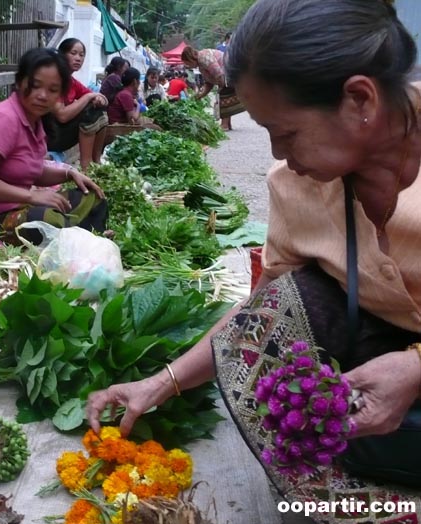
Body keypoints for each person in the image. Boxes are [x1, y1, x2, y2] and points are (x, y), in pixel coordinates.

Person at [88, 0, 421, 521]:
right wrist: (159, 384)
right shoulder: (293, 186)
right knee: (268, 323)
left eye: (286, 133)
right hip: (376, 350)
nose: (278, 155)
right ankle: (359, 504)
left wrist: (416, 367)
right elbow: (263, 309)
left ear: (360, 100)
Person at [0, 47, 107, 245]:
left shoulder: (36, 120)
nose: (43, 95)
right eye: (35, 86)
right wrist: (31, 196)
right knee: (47, 222)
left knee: (92, 197)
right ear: (19, 82)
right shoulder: (4, 118)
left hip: (16, 206)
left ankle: (87, 241)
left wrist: (69, 173)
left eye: (52, 90)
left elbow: (28, 170)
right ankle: (80, 241)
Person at [46, 38, 108, 170]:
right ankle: (86, 166)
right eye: (73, 53)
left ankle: (96, 161)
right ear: (62, 55)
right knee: (90, 111)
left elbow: (100, 98)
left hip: (60, 134)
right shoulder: (55, 80)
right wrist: (90, 97)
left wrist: (99, 99)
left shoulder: (71, 82)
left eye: (81, 55)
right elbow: (61, 116)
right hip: (48, 137)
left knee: (99, 110)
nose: (78, 58)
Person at [181, 44, 245, 131]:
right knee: (224, 95)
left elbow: (219, 73)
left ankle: (224, 124)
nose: (187, 66)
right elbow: (209, 83)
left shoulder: (204, 58)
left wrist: (221, 87)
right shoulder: (200, 65)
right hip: (228, 71)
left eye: (187, 63)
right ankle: (227, 124)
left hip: (229, 70)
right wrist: (200, 95)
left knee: (224, 96)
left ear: (190, 59)